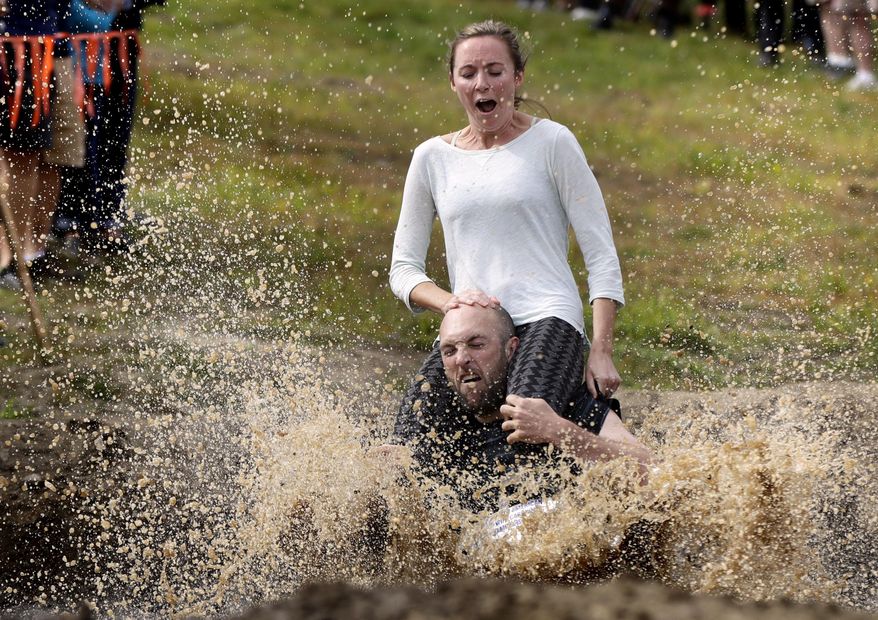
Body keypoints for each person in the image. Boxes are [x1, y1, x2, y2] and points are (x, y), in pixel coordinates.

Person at [389, 20, 626, 458]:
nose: (483, 83)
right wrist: (451, 304)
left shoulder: (553, 142)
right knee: (406, 443)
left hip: (548, 318)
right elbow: (403, 270)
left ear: (516, 78)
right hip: (474, 328)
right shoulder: (430, 158)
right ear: (454, 83)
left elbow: (601, 254)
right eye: (469, 73)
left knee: (519, 428)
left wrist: (601, 350)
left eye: (496, 71)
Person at [394, 304, 652, 512]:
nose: (462, 359)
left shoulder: (561, 408)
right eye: (449, 351)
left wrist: (559, 431)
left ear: (511, 349)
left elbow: (651, 470)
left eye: (477, 345)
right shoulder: (439, 431)